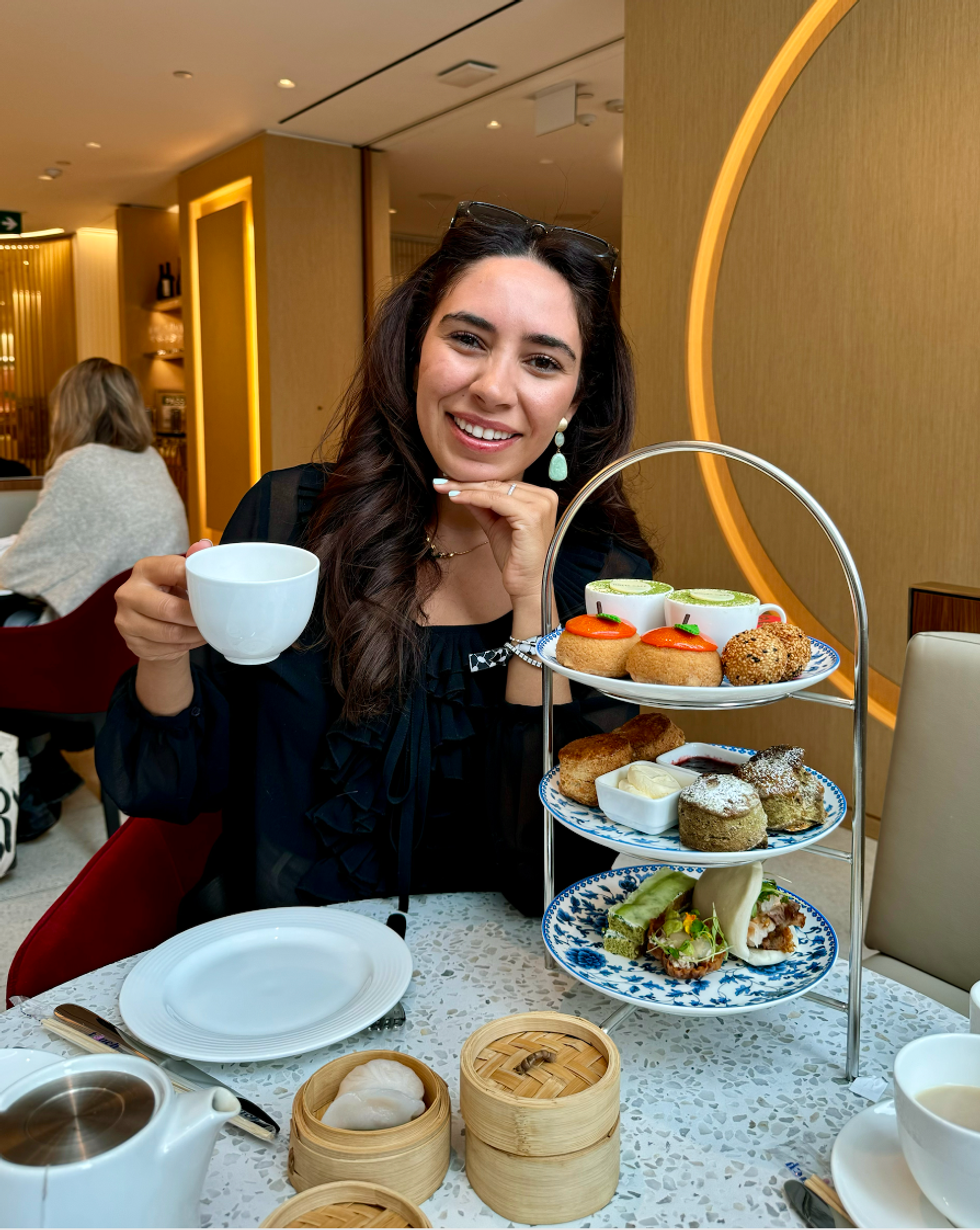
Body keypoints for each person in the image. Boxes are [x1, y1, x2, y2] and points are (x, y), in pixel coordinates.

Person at [98, 202, 659, 921]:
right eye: (467, 339)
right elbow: (166, 788)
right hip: (278, 957)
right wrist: (160, 653)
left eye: (543, 361)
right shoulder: (290, 520)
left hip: (486, 988)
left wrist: (535, 603)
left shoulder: (606, 578)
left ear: (574, 403)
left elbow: (548, 877)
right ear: (414, 349)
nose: (492, 387)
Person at [0, 357, 189, 840]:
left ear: (72, 409)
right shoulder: (150, 462)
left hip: (80, 660)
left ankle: (29, 771)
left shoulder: (78, 466)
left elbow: (20, 567)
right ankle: (45, 764)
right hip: (134, 653)